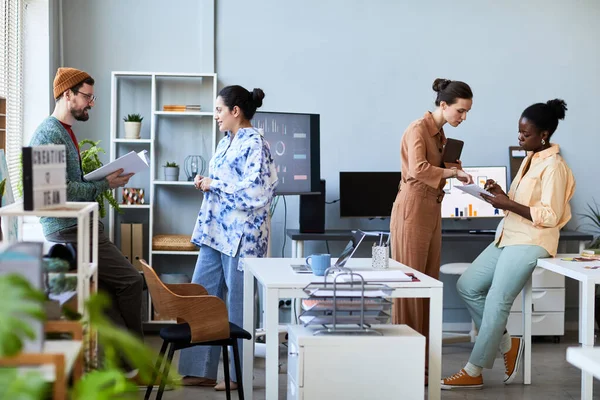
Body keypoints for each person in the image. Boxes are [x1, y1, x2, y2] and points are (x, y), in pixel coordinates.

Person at [441, 99, 575, 390]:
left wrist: (508, 203)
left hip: (532, 241)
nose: (519, 138)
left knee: (497, 299)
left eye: (525, 134)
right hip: (509, 235)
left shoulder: (555, 167)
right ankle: (507, 342)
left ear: (544, 135)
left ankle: (473, 370)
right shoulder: (530, 158)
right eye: (519, 132)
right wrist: (501, 195)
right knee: (468, 285)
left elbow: (550, 216)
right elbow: (521, 203)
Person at [29, 67, 144, 373]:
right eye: (87, 97)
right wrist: (106, 184)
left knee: (105, 292)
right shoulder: (47, 134)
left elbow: (70, 184)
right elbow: (53, 192)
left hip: (81, 227)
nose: (91, 103)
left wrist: (104, 179)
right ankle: (134, 362)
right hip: (70, 230)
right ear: (67, 94)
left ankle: (125, 364)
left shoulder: (64, 132)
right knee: (131, 281)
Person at [178, 85, 278, 391]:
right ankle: (200, 369)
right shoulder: (226, 141)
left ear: (236, 111)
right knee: (202, 296)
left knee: (238, 304)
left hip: (242, 236)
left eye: (219, 110)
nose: (216, 115)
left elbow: (258, 192)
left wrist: (215, 184)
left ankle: (237, 374)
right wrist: (205, 182)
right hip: (214, 231)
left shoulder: (256, 144)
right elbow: (220, 181)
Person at [390, 78, 474, 382]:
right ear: (443, 105)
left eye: (466, 113)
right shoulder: (418, 129)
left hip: (431, 207)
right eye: (460, 111)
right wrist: (451, 171)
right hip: (413, 207)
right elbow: (418, 170)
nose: (462, 117)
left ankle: (422, 364)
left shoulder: (439, 134)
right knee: (411, 286)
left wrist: (452, 165)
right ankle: (407, 364)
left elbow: (432, 169)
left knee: (427, 285)